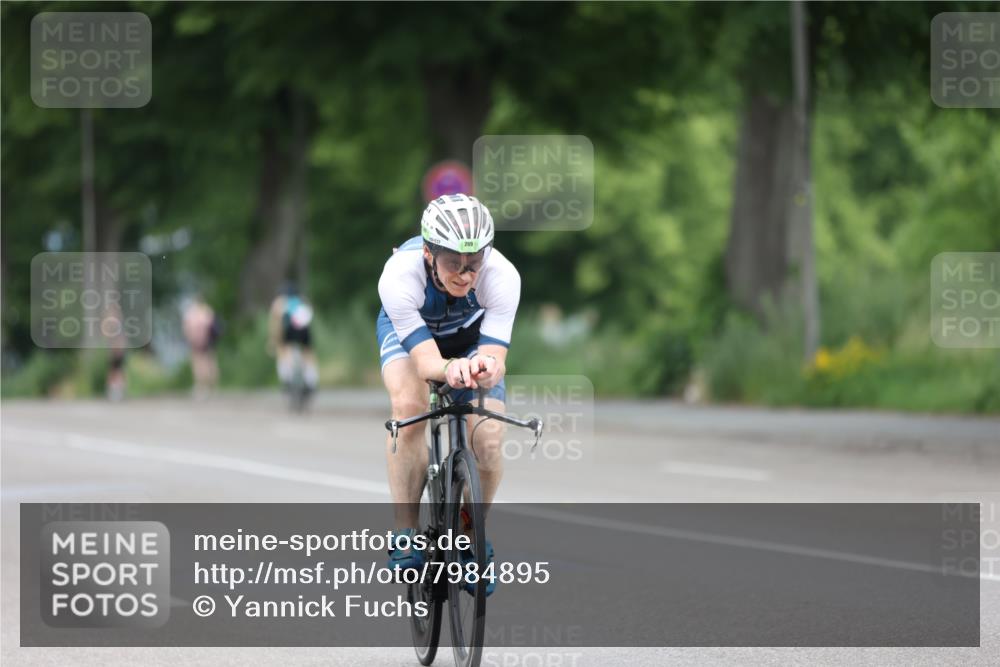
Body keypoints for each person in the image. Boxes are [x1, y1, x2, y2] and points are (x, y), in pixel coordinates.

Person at [377, 193, 520, 595]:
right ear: (428, 253)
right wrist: (447, 368)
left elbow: (495, 356)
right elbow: (426, 365)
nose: (464, 274)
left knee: (489, 439)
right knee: (409, 406)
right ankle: (405, 533)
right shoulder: (399, 276)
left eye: (473, 264)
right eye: (452, 263)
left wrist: (486, 366)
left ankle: (472, 534)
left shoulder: (503, 276)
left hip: (470, 337)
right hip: (412, 338)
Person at [268, 282, 319, 400]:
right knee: (308, 352)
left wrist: (274, 340)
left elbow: (275, 323)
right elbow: (309, 316)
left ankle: (287, 379)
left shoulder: (279, 302)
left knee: (284, 349)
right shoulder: (302, 300)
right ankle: (311, 380)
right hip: (304, 328)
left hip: (290, 328)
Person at [182, 294, 220, 398]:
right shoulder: (208, 310)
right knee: (210, 362)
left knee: (199, 363)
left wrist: (195, 338)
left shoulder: (192, 312)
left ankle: (201, 386)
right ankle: (212, 387)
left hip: (198, 340)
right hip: (209, 341)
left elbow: (189, 327)